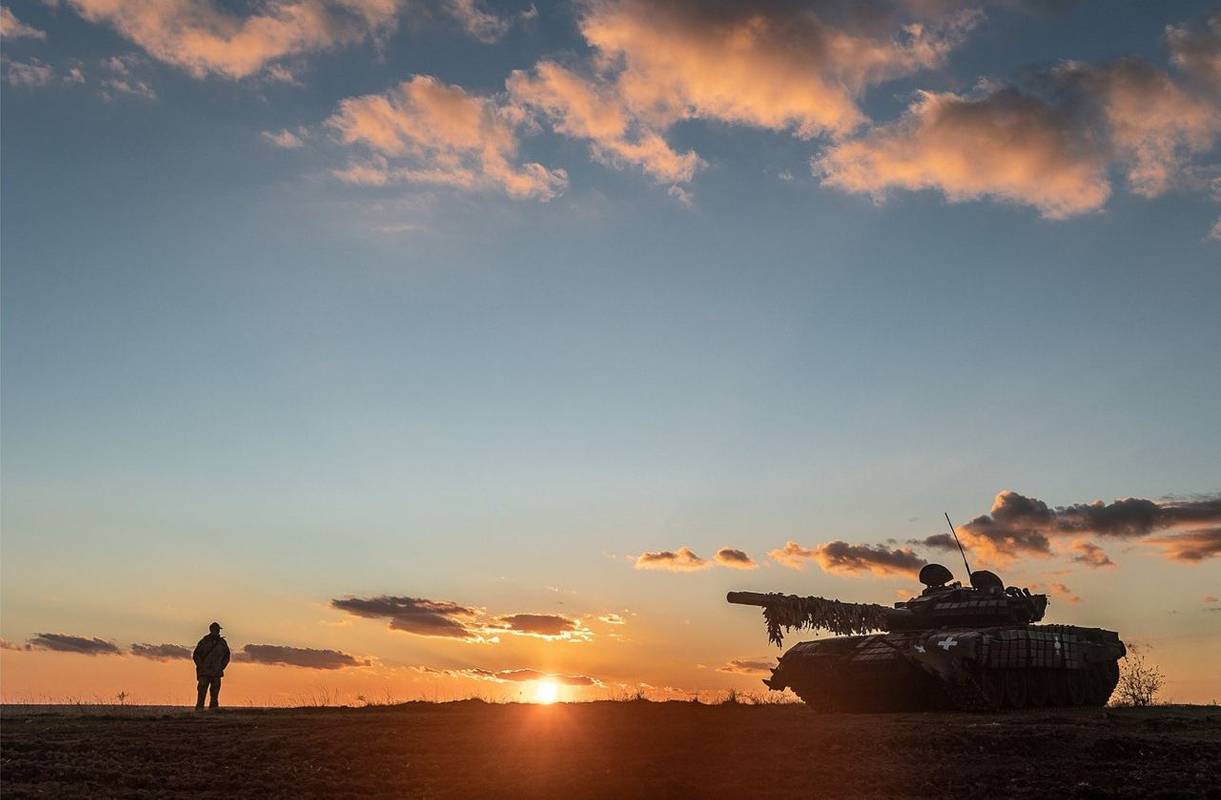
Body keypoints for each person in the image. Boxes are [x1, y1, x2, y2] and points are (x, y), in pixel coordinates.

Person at [192, 622, 231, 710]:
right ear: (211, 630)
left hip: (216, 673)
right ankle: (199, 710)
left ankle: (213, 710)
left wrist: (221, 667)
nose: (218, 631)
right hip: (204, 673)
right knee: (202, 692)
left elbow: (227, 656)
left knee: (215, 693)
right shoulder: (204, 641)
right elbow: (196, 655)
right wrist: (201, 666)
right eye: (216, 629)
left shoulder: (222, 643)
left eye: (218, 630)